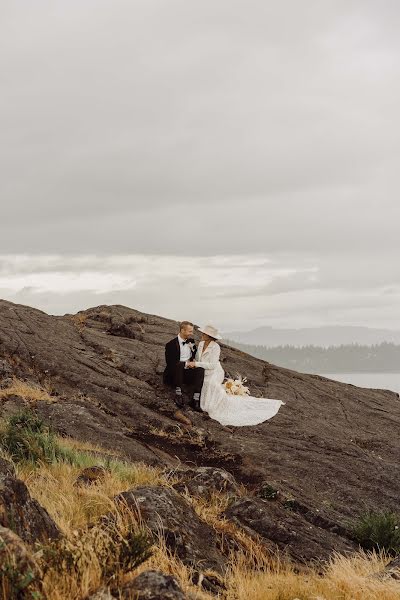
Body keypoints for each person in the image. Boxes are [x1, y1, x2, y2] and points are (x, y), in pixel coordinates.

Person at [186, 324, 284, 426]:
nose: (202, 334)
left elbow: (212, 365)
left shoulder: (216, 347)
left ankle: (200, 402)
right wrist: (193, 362)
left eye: (205, 333)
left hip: (213, 371)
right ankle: (196, 399)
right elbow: (198, 358)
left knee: (210, 384)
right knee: (199, 379)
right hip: (201, 369)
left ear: (210, 336)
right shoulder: (201, 344)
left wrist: (196, 364)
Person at [163, 320, 205, 411]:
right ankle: (178, 394)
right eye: (190, 331)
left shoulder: (191, 342)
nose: (192, 333)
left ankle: (195, 399)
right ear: (182, 330)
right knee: (179, 365)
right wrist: (186, 364)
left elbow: (194, 355)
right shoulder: (170, 345)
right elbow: (170, 364)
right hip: (175, 373)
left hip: (187, 372)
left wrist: (193, 362)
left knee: (201, 369)